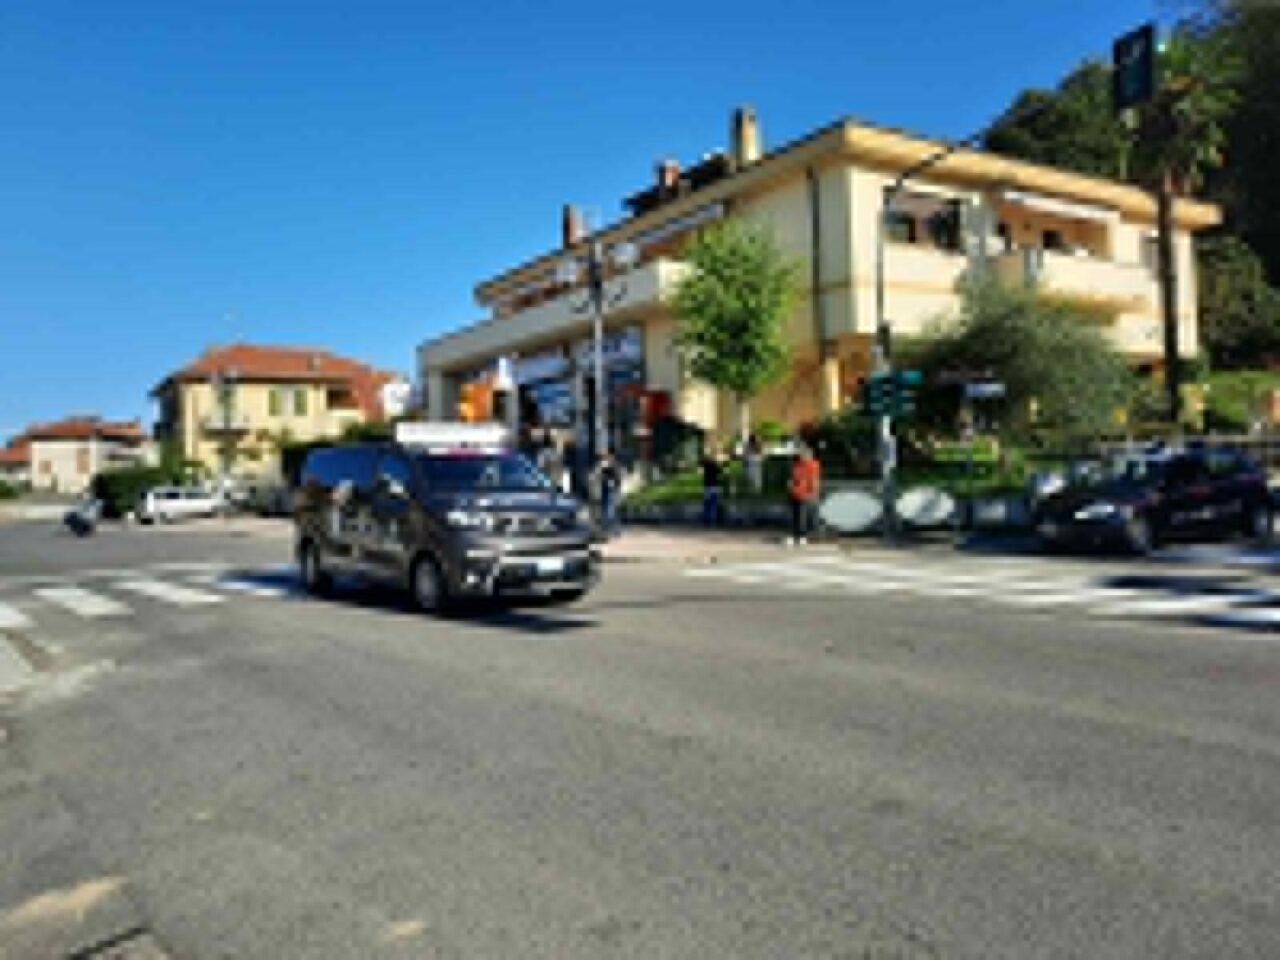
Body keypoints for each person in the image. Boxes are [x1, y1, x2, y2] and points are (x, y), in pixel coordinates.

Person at [787, 444, 821, 546]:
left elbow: (814, 480)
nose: (802, 456)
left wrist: (814, 492)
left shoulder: (813, 465)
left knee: (803, 517)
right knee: (795, 516)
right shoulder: (796, 465)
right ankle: (795, 535)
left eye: (804, 454)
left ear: (809, 455)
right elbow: (792, 478)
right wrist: (790, 486)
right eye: (801, 455)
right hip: (795, 493)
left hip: (806, 495)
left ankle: (802, 536)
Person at [594, 450, 622, 539]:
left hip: (610, 490)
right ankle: (612, 531)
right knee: (607, 511)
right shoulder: (604, 465)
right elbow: (598, 476)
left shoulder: (612, 465)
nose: (604, 458)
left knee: (610, 511)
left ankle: (611, 531)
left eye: (606, 456)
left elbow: (617, 478)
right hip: (605, 490)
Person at [701, 449, 724, 526]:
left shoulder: (706, 465)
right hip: (714, 486)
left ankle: (707, 519)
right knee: (713, 504)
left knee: (707, 503)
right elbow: (720, 472)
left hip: (707, 486)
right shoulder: (715, 465)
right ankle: (712, 519)